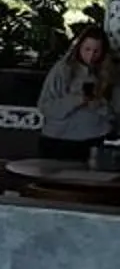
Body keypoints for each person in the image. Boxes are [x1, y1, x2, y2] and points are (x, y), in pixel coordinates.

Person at [37, 22, 114, 164]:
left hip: (95, 140)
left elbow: (114, 113)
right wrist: (76, 100)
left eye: (96, 51)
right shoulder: (63, 70)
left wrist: (99, 104)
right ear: (79, 47)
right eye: (87, 49)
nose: (91, 55)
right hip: (59, 141)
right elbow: (45, 106)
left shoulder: (109, 73)